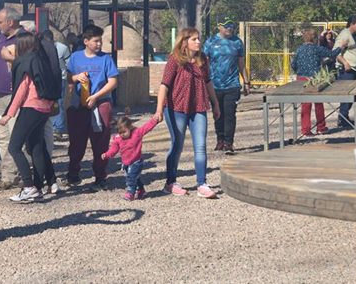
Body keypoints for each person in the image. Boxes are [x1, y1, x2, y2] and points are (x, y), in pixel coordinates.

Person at [154, 27, 221, 199]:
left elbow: (208, 82)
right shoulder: (174, 60)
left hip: (198, 107)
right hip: (176, 108)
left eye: (199, 39)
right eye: (194, 39)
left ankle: (202, 184)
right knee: (177, 144)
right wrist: (159, 109)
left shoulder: (202, 60)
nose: (198, 42)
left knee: (200, 146)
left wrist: (215, 104)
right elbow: (164, 85)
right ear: (184, 42)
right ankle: (170, 182)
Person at [0, 32, 59, 203]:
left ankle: (28, 186)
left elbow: (21, 90)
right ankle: (38, 188)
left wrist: (8, 114)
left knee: (14, 147)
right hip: (44, 108)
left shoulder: (26, 61)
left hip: (31, 107)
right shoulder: (41, 59)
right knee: (37, 147)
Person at [66, 25, 119, 191]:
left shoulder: (106, 59)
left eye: (100, 41)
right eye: (96, 41)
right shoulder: (75, 58)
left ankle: (100, 176)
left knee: (100, 141)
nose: (99, 44)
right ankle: (73, 173)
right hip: (79, 103)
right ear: (86, 41)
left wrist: (96, 96)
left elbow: (113, 81)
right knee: (77, 140)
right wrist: (75, 77)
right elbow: (68, 77)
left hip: (101, 102)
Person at [202, 16, 249, 153]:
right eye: (226, 26)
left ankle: (229, 142)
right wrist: (203, 83)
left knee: (229, 114)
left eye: (231, 26)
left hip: (232, 85)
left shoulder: (237, 43)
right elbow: (205, 64)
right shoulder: (210, 42)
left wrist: (246, 81)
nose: (229, 28)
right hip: (214, 85)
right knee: (218, 113)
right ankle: (220, 140)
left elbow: (241, 63)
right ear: (219, 27)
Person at [0, 8, 24, 190]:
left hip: (15, 94)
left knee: (15, 136)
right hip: (0, 94)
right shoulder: (2, 38)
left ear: (10, 22)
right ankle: (9, 175)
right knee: (2, 137)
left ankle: (18, 174)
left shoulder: (24, 39)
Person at [291, 29, 344, 136]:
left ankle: (305, 130)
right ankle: (321, 127)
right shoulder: (317, 49)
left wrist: (299, 72)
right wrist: (341, 47)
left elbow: (293, 65)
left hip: (301, 79)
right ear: (314, 39)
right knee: (319, 103)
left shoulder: (299, 49)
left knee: (305, 105)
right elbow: (332, 54)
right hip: (315, 78)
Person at [101, 115, 160, 201]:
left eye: (124, 132)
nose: (122, 134)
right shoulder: (118, 139)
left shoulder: (137, 133)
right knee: (136, 177)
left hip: (136, 162)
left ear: (129, 128)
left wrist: (154, 120)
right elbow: (113, 150)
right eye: (120, 132)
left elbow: (146, 127)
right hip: (126, 163)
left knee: (131, 178)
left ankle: (130, 193)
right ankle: (141, 190)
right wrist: (107, 154)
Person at [333, 16, 356, 129]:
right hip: (347, 71)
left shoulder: (353, 35)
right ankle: (342, 119)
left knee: (351, 96)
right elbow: (336, 52)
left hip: (354, 69)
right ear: (352, 24)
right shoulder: (344, 35)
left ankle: (344, 117)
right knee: (347, 95)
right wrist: (345, 63)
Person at [42, 30, 71, 140]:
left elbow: (69, 64)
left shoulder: (62, 48)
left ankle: (58, 128)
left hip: (60, 79)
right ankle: (51, 127)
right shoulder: (41, 48)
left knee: (58, 102)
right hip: (48, 79)